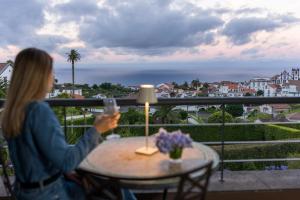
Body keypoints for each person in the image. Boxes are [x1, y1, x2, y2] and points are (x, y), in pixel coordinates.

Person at [0, 48, 134, 199]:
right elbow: (67, 162)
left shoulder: (13, 111)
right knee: (118, 190)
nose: (53, 75)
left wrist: (63, 173)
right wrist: (97, 129)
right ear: (40, 76)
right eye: (51, 71)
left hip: (25, 191)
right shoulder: (38, 111)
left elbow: (35, 158)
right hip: (50, 194)